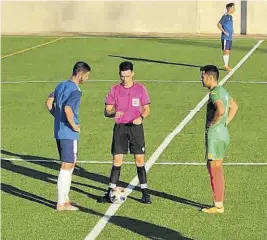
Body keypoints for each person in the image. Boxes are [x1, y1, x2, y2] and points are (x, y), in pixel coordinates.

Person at [98, 61, 152, 204]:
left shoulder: (141, 89)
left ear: (132, 73)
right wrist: (113, 113)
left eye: (127, 76)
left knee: (139, 160)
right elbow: (107, 111)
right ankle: (109, 192)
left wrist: (141, 117)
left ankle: (145, 193)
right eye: (122, 76)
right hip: (120, 128)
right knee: (117, 160)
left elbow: (147, 109)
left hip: (135, 129)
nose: (125, 79)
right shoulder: (114, 89)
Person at [45, 61, 91, 211]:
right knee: (67, 165)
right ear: (80, 74)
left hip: (58, 130)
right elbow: (68, 109)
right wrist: (74, 125)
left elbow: (48, 103)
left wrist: (57, 117)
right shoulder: (76, 91)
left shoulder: (60, 85)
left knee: (69, 164)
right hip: (68, 133)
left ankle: (65, 198)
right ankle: (61, 202)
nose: (87, 79)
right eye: (87, 75)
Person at [200, 65, 238, 214]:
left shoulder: (215, 93)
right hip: (223, 133)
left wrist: (215, 122)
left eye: (203, 76)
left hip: (215, 135)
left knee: (214, 168)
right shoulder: (223, 90)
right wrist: (224, 123)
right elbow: (234, 107)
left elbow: (221, 109)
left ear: (210, 77)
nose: (201, 79)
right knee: (216, 167)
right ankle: (218, 201)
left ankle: (218, 205)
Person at [217, 3, 235, 72]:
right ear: (229, 8)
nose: (234, 9)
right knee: (226, 51)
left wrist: (232, 31)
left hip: (230, 37)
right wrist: (224, 32)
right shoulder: (225, 16)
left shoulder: (230, 17)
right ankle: (226, 66)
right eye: (233, 8)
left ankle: (227, 65)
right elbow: (219, 24)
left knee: (228, 51)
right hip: (225, 37)